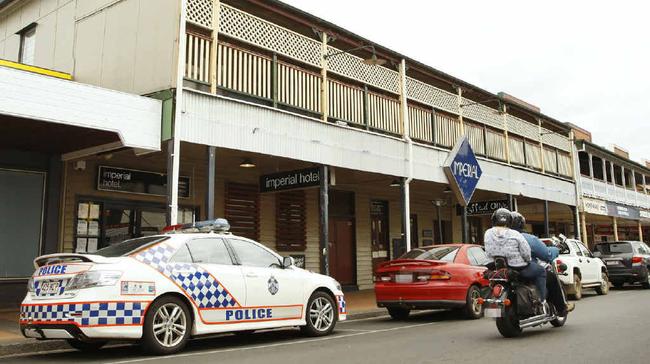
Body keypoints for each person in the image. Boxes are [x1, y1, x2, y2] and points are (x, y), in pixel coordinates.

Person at [510, 211, 575, 316]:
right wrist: (556, 250)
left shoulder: (502, 238)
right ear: (521, 224)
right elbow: (547, 255)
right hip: (524, 270)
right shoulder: (527, 238)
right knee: (551, 278)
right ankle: (558, 307)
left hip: (507, 271)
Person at [483, 208, 547, 303]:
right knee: (541, 271)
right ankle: (542, 300)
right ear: (510, 221)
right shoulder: (515, 233)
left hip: (496, 267)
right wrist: (527, 260)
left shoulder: (488, 233)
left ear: (494, 220)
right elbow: (526, 252)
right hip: (517, 267)